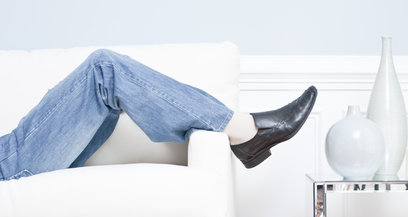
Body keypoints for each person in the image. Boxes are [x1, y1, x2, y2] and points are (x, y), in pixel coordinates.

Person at [0, 49, 317, 181]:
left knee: (105, 87)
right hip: (8, 165)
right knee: (103, 69)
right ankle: (248, 132)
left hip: (8, 151)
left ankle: (246, 132)